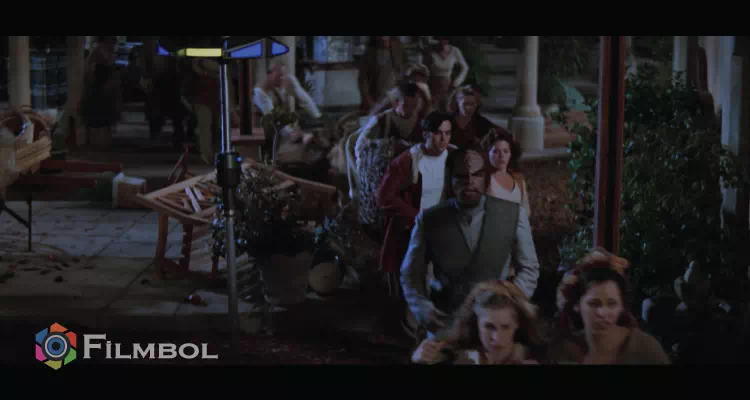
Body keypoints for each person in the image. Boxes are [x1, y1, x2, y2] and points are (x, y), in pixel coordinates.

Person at [400, 146, 540, 338]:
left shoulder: (513, 214)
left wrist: (509, 304)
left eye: (477, 175)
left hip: (495, 326)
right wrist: (424, 311)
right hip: (445, 324)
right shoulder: (429, 220)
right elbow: (410, 274)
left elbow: (529, 268)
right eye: (461, 176)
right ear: (450, 179)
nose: (470, 182)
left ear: (486, 178)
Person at [376, 111, 456, 297]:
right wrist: (416, 217)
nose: (443, 139)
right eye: (438, 133)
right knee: (412, 284)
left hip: (444, 230)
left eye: (447, 133)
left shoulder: (453, 156)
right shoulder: (408, 160)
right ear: (426, 134)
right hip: (413, 229)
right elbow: (384, 197)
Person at [548, 248, 671, 364]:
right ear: (577, 305)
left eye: (612, 304)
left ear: (621, 306)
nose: (602, 313)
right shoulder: (564, 351)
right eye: (594, 304)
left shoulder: (645, 349)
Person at [352, 81, 429, 241]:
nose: (410, 110)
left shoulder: (422, 121)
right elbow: (361, 146)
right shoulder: (382, 120)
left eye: (414, 105)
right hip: (385, 176)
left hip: (413, 176)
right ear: (396, 102)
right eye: (406, 105)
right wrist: (390, 145)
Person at [411, 280, 543, 364]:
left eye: (505, 327)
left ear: (517, 324)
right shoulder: (458, 357)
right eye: (489, 326)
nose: (496, 338)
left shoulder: (534, 358)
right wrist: (419, 360)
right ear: (476, 323)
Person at [481, 128, 530, 215]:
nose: (501, 156)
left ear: (511, 154)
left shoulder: (518, 180)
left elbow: (526, 212)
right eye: (496, 151)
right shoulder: (483, 181)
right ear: (487, 153)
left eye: (505, 151)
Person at [358, 36, 408, 113]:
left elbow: (405, 73)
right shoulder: (369, 54)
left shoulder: (398, 49)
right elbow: (362, 81)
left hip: (394, 101)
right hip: (376, 101)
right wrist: (369, 102)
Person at [423, 37, 469, 112]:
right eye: (440, 39)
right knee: (433, 110)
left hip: (449, 87)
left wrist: (456, 82)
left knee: (447, 109)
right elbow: (424, 70)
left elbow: (465, 68)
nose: (442, 41)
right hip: (433, 87)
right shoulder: (430, 51)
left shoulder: (455, 50)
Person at [369, 63, 433, 117]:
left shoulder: (421, 98)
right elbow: (374, 113)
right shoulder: (395, 94)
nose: (418, 85)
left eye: (421, 82)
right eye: (415, 81)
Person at [450, 84, 501, 149]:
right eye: (465, 104)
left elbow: (500, 132)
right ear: (458, 102)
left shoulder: (481, 122)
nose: (469, 108)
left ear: (476, 104)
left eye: (472, 104)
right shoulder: (448, 121)